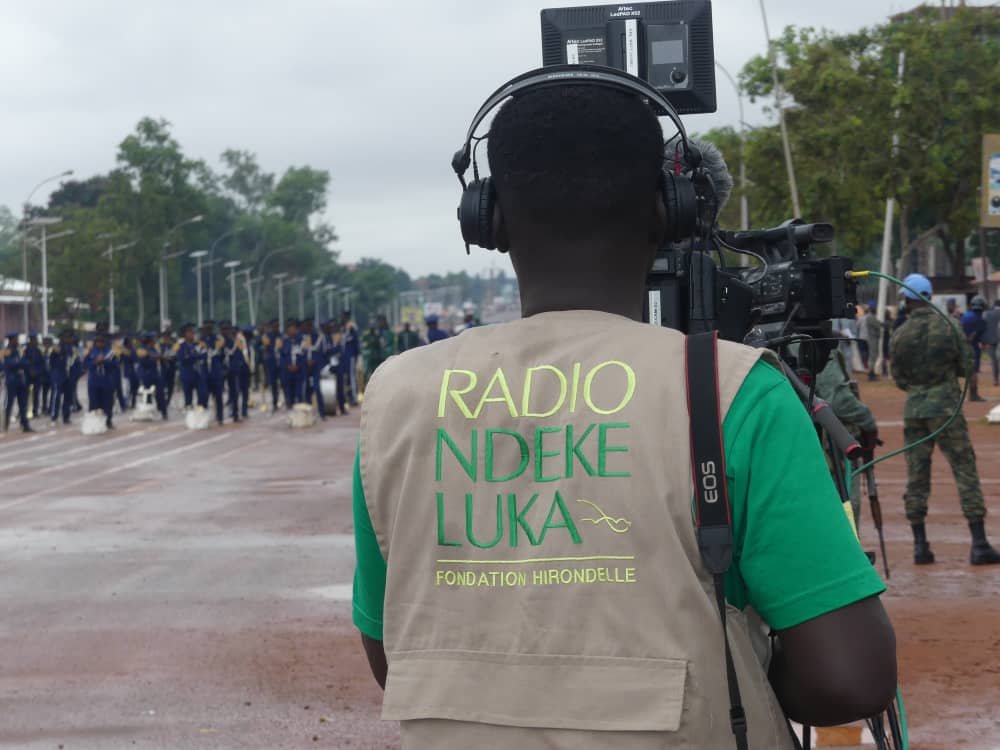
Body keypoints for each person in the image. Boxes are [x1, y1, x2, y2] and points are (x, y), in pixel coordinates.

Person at [352, 77, 896, 747]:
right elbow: (848, 681)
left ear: (487, 217)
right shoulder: (733, 389)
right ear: (672, 210)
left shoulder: (399, 394)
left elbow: (393, 652)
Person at [890, 275, 1000, 565]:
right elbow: (966, 367)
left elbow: (898, 378)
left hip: (914, 410)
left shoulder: (899, 334)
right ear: (928, 295)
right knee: (964, 470)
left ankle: (920, 546)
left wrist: (918, 388)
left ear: (906, 300)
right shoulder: (950, 326)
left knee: (916, 476)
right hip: (947, 408)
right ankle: (978, 543)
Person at [814, 338, 879, 529]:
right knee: (845, 507)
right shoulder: (815, 342)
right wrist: (868, 422)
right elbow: (838, 401)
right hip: (828, 444)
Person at [84, 331, 117, 429]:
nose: (100, 343)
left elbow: (114, 366)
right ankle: (94, 422)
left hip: (106, 381)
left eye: (102, 341)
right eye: (98, 341)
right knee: (94, 403)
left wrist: (104, 362)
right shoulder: (91, 352)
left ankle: (108, 421)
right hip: (94, 381)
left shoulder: (110, 352)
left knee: (107, 403)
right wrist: (95, 362)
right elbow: (86, 365)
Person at [49, 328, 82, 425]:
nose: (69, 339)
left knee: (68, 398)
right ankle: (54, 417)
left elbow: (77, 363)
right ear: (62, 338)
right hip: (59, 376)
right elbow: (52, 362)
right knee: (57, 397)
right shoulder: (57, 348)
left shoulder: (74, 349)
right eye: (67, 337)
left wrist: (76, 374)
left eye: (70, 337)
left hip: (70, 376)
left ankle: (66, 417)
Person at [1, 332, 31, 432]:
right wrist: (21, 363)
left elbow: (25, 362)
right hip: (11, 380)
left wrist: (20, 363)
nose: (17, 340)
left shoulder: (19, 350)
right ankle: (4, 424)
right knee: (9, 403)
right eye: (15, 338)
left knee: (23, 403)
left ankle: (24, 424)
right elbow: (11, 363)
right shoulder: (7, 351)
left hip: (20, 379)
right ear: (11, 340)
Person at [960, 295, 987, 402]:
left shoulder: (966, 315)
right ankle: (973, 394)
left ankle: (972, 394)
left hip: (962, 345)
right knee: (973, 371)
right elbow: (975, 335)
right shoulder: (979, 318)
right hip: (972, 347)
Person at [135, 332, 168, 420]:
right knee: (147, 394)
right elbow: (142, 361)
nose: (155, 340)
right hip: (146, 374)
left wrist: (160, 357)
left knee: (160, 394)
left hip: (156, 374)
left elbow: (159, 357)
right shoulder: (142, 349)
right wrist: (153, 357)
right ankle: (147, 413)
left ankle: (164, 412)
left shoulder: (155, 348)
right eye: (153, 339)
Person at [221, 322, 248, 422]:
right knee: (219, 392)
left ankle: (235, 413)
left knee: (234, 392)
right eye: (224, 330)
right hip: (221, 371)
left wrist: (233, 369)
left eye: (227, 330)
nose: (226, 332)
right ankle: (219, 415)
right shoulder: (219, 342)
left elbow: (239, 357)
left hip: (233, 370)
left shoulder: (235, 342)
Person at [176, 323, 208, 410]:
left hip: (198, 373)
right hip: (187, 373)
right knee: (188, 398)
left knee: (203, 394)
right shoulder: (180, 345)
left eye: (192, 331)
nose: (192, 333)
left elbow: (204, 354)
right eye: (189, 332)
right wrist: (195, 356)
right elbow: (182, 359)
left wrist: (193, 356)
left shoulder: (198, 344)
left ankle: (200, 412)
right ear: (184, 334)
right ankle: (190, 416)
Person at [201, 320, 226, 425]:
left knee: (218, 396)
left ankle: (220, 417)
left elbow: (223, 355)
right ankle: (204, 418)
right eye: (206, 328)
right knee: (204, 396)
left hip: (216, 371)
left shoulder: (218, 340)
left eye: (210, 328)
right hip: (205, 372)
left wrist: (223, 368)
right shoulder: (201, 340)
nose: (208, 330)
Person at [277, 319, 305, 408]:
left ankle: (300, 413)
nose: (292, 331)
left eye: (294, 329)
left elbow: (304, 354)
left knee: (299, 394)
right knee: (289, 394)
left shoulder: (302, 340)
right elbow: (281, 356)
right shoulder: (283, 341)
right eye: (290, 329)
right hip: (287, 371)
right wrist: (287, 366)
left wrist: (298, 366)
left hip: (298, 371)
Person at [341, 310, 361, 406]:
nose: (342, 317)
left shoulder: (352, 327)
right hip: (343, 356)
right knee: (346, 377)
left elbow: (356, 341)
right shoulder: (342, 327)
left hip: (351, 355)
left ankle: (354, 397)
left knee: (352, 376)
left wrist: (357, 354)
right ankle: (347, 397)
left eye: (344, 316)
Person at [260, 319, 281, 410]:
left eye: (277, 326)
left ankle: (287, 400)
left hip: (281, 362)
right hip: (271, 362)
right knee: (273, 383)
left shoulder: (281, 335)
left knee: (284, 382)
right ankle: (275, 402)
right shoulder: (267, 336)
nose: (276, 327)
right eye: (274, 326)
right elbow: (262, 348)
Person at [863, 304, 881, 381]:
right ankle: (871, 374)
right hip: (872, 338)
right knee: (873, 356)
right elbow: (877, 325)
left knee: (873, 356)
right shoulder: (870, 317)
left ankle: (872, 373)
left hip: (873, 338)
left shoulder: (870, 316)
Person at [984, 299, 1000, 387]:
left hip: (991, 340)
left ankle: (995, 379)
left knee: (994, 361)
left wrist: (985, 341)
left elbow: (985, 327)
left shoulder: (988, 314)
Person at [880, 310, 893, 376]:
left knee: (885, 357)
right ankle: (888, 371)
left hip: (885, 341)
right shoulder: (891, 322)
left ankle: (884, 371)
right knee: (889, 357)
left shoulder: (884, 322)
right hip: (889, 341)